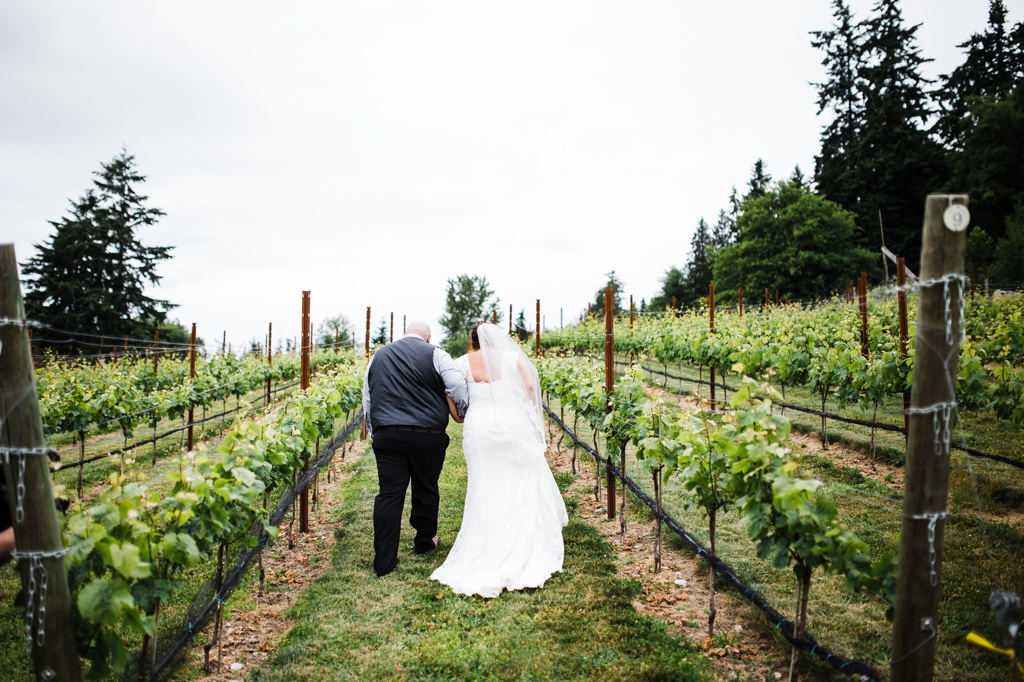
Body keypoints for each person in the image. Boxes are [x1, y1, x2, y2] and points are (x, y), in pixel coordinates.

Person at [430, 323, 568, 598]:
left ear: (472, 341)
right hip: (511, 424)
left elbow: (449, 390)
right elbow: (530, 387)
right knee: (518, 479)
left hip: (479, 427)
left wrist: (457, 416)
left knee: (484, 483)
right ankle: (521, 534)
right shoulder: (512, 358)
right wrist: (529, 416)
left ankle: (487, 539)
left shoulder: (462, 362)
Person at [363, 320, 469, 577]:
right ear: (428, 338)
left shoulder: (378, 356)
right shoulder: (437, 354)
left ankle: (384, 561)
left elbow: (368, 395)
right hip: (427, 434)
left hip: (388, 433)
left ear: (404, 334)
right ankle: (425, 541)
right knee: (426, 486)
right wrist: (463, 410)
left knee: (389, 494)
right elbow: (456, 384)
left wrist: (374, 429)